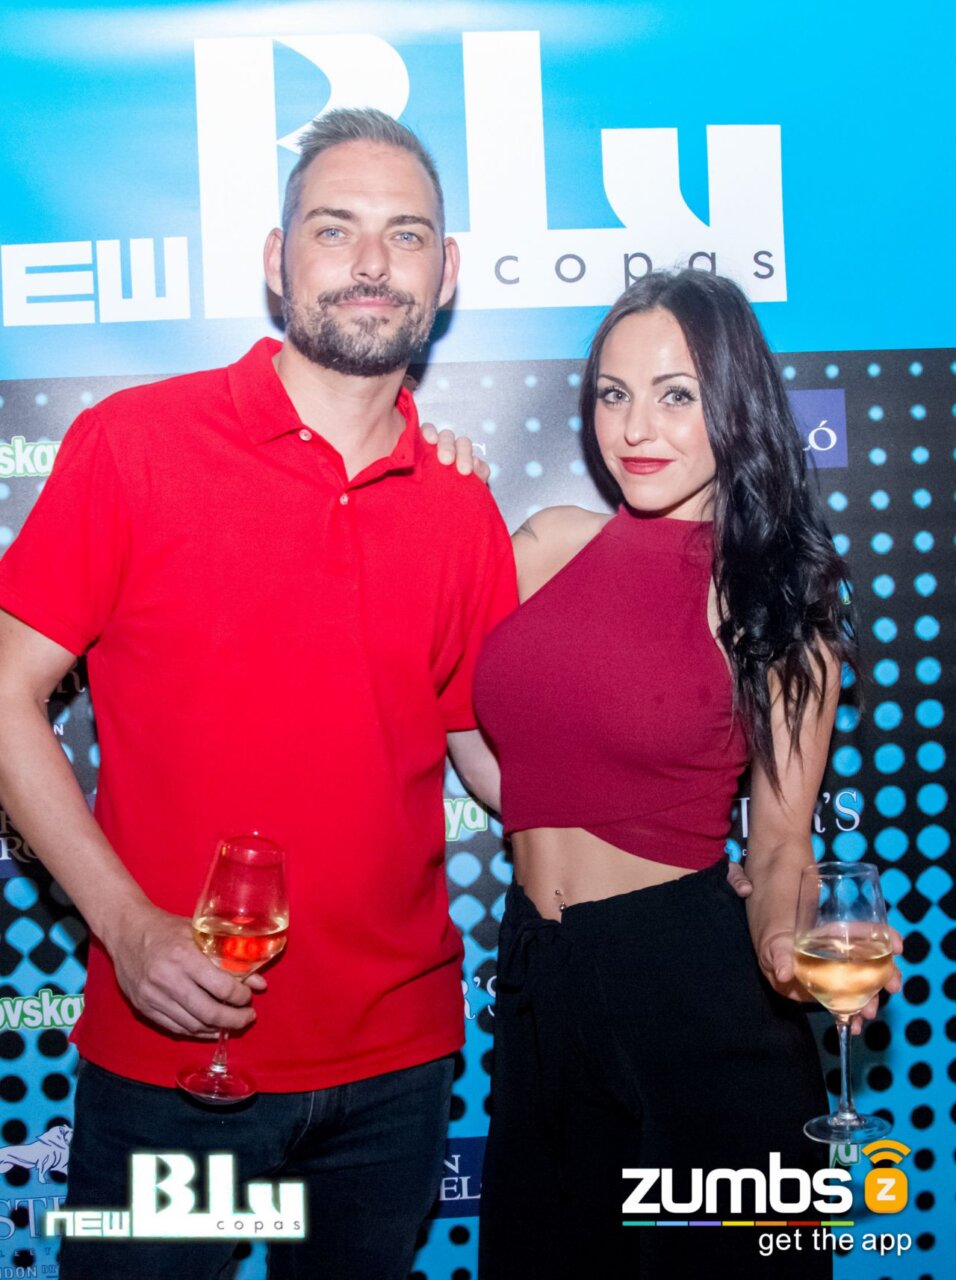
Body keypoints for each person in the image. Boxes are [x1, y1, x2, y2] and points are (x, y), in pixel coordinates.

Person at [0, 108, 513, 1280]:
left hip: (397, 1069)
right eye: (335, 228)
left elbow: (492, 757)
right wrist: (124, 923)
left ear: (444, 275)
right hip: (171, 1061)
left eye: (405, 234)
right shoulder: (133, 445)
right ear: (278, 261)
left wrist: (685, 843)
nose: (372, 261)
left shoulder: (458, 504)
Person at [465, 271, 902, 1279]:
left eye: (675, 395)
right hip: (538, 980)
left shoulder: (775, 607)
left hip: (689, 991)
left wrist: (784, 943)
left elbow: (780, 844)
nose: (635, 428)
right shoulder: (546, 545)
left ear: (734, 405)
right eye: (612, 394)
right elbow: (459, 716)